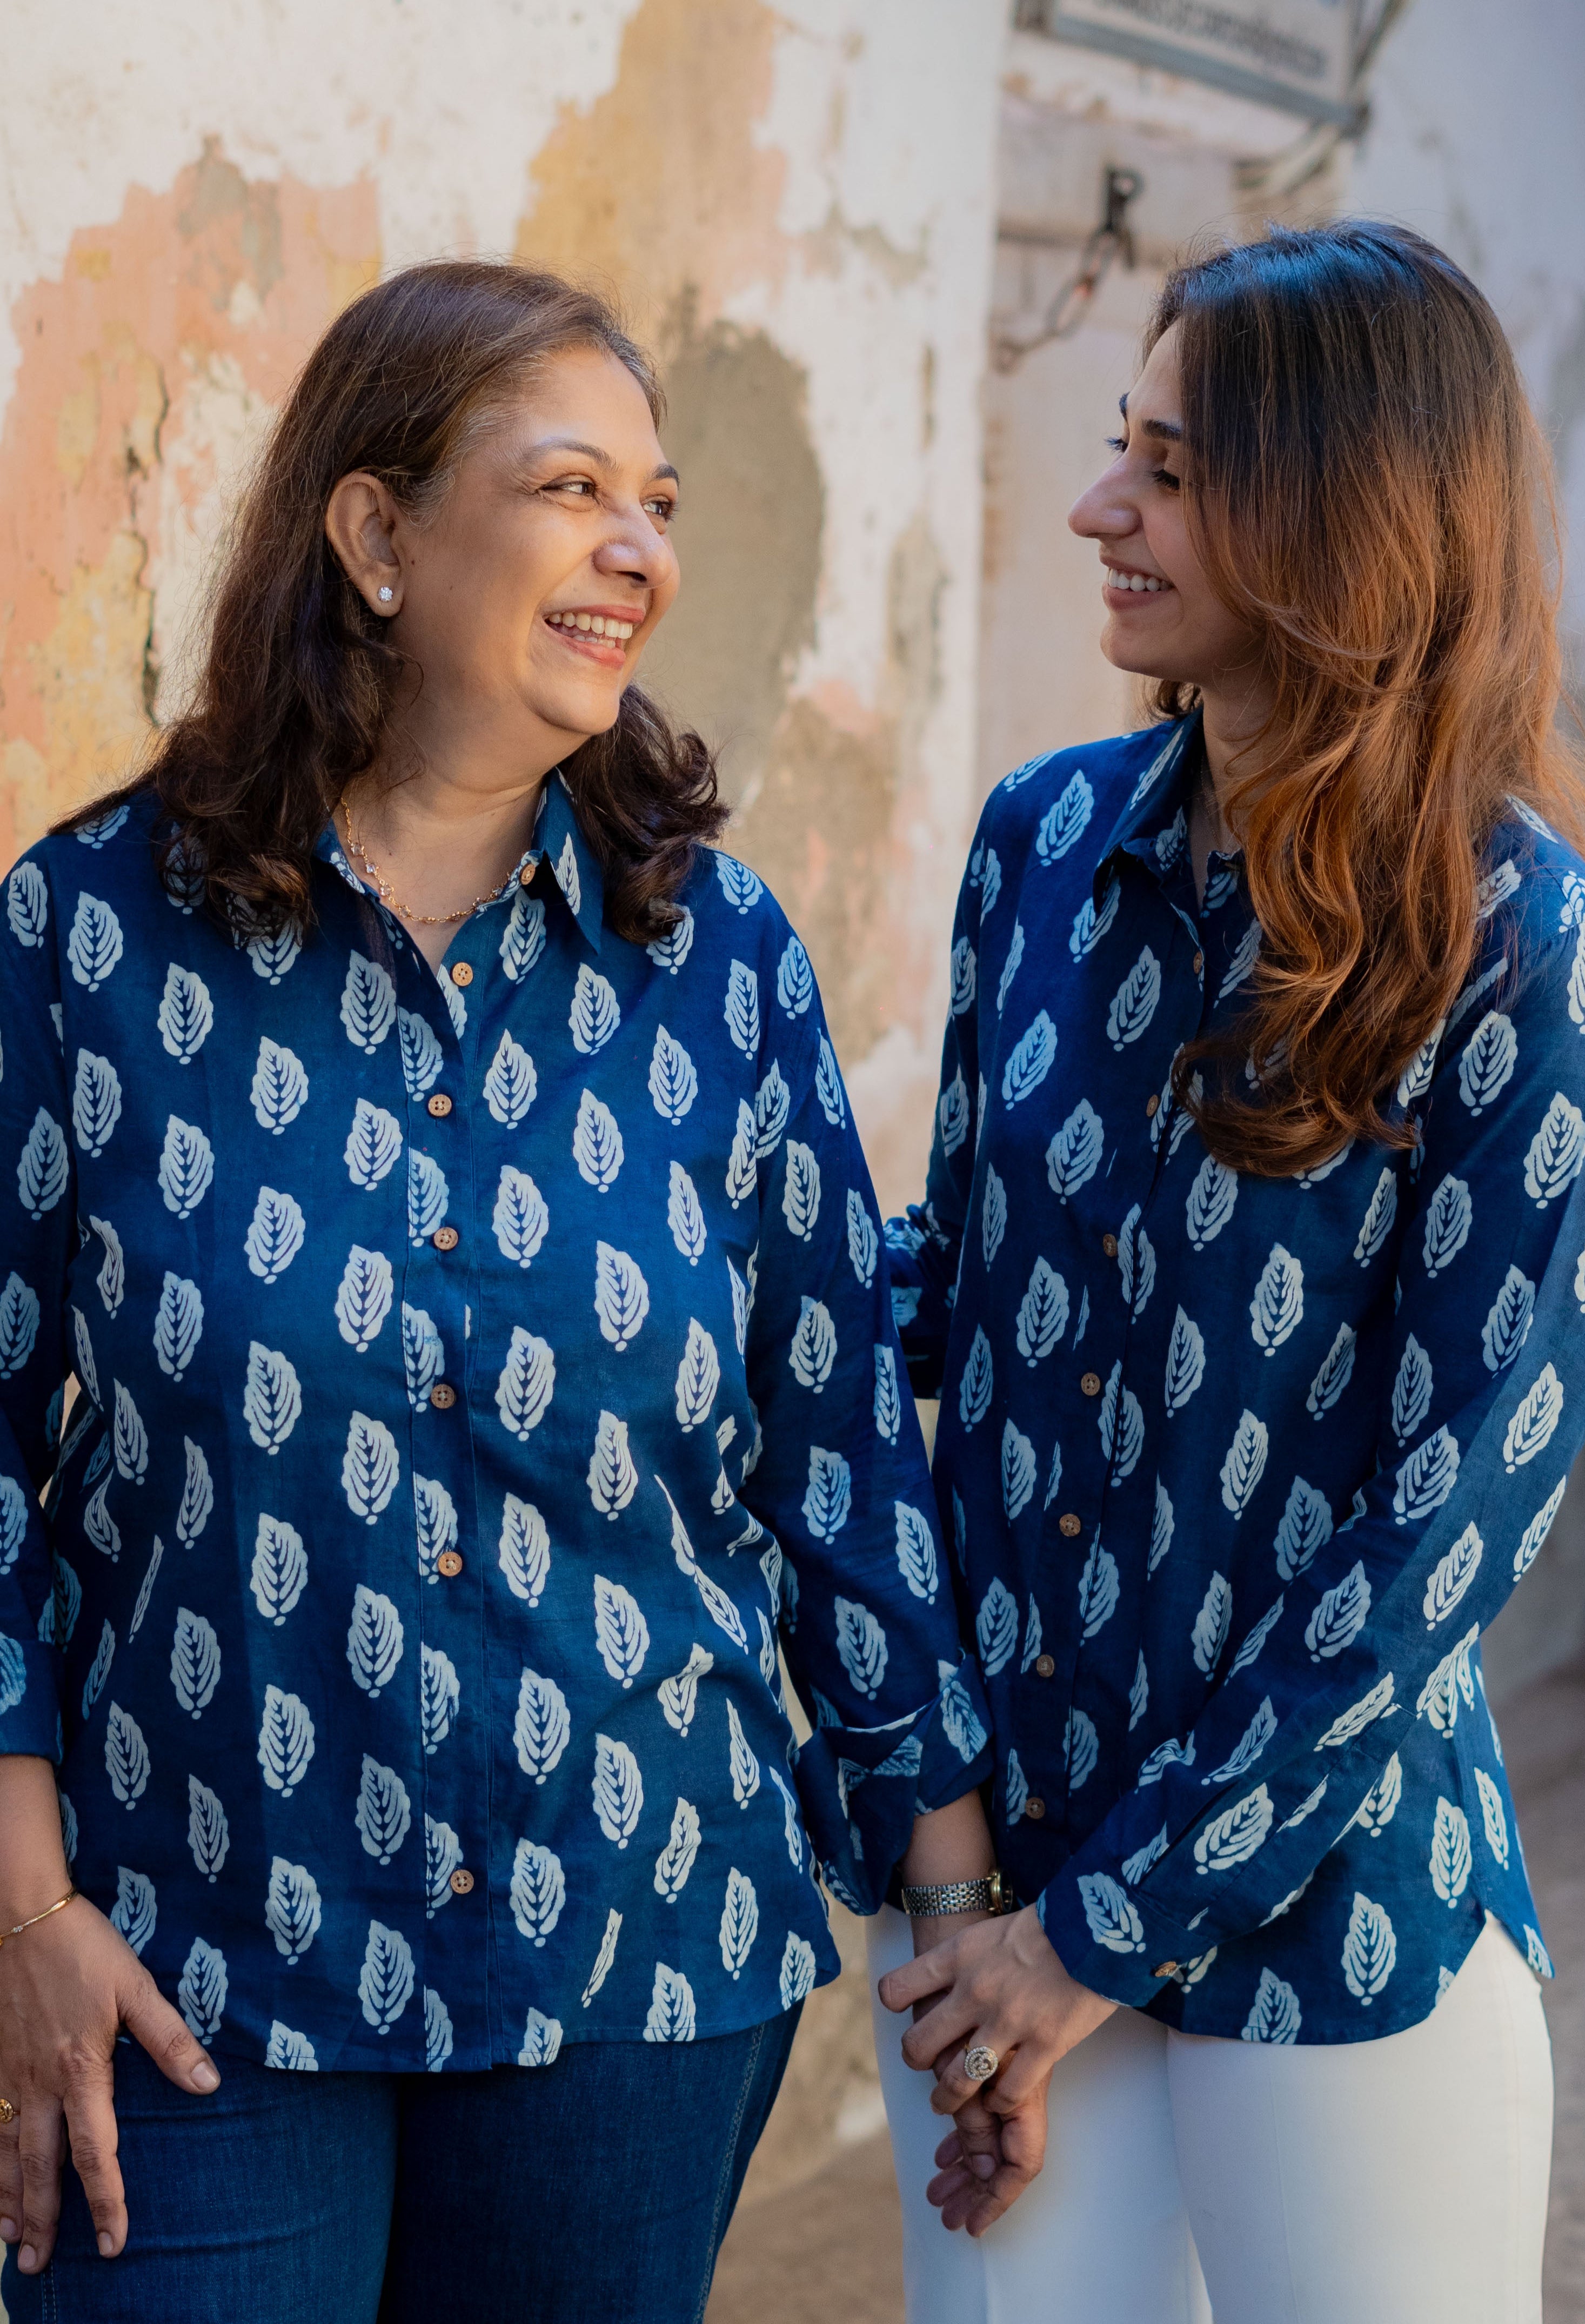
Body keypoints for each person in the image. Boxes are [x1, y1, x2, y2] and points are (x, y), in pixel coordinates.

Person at [0, 258, 997, 2324]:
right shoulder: (88, 938)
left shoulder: (713, 958)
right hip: (198, 1947)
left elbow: (836, 1456)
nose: (636, 550)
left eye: (654, 505)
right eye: (569, 490)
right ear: (374, 535)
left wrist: (957, 1900)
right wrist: (20, 1903)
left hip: (635, 1959)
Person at [870, 220, 1585, 2324]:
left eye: (1174, 467)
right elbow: (940, 1285)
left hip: (1339, 1935)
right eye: (1121, 445)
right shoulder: (1044, 845)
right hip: (1001, 1887)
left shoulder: (1536, 958)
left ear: (1345, 515)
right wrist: (675, 1291)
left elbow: (1436, 1547)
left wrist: (1092, 1935)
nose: (1095, 503)